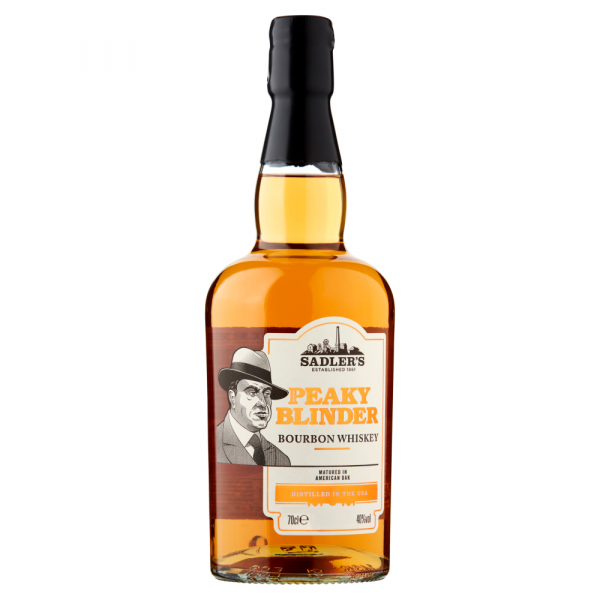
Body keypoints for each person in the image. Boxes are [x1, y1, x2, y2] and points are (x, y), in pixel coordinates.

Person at [216, 348, 291, 466]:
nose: (262, 402)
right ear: (232, 397)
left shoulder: (280, 459)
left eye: (267, 393)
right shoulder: (212, 445)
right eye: (252, 392)